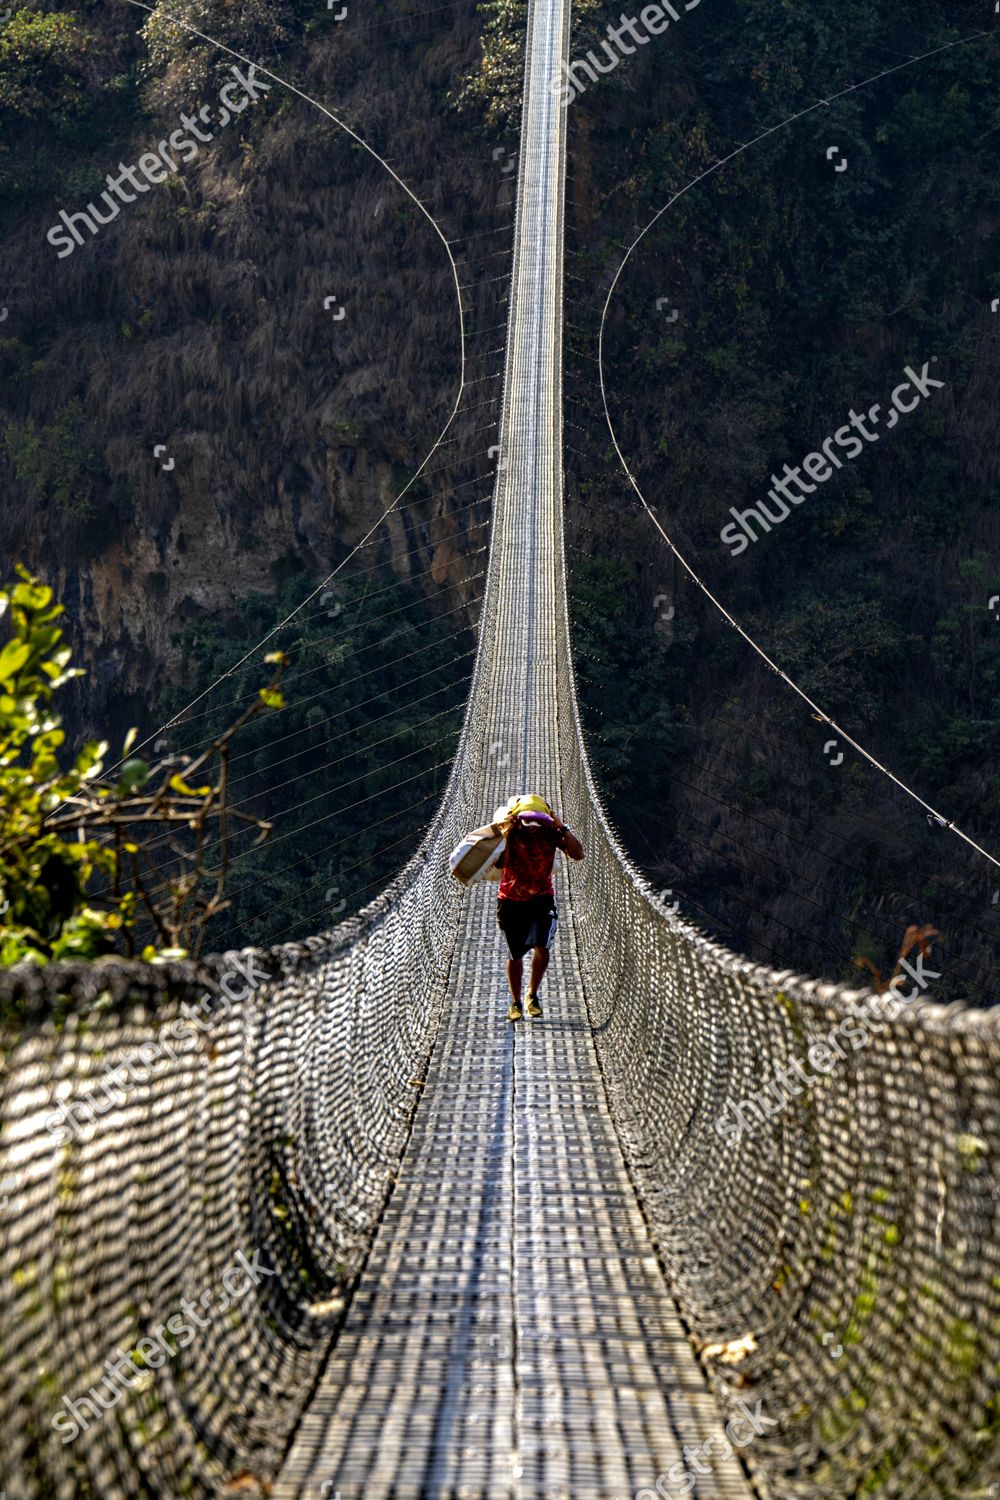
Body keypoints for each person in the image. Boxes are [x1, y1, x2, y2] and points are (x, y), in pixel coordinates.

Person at [494, 795, 584, 1022]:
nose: (532, 828)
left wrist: (560, 825)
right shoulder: (511, 834)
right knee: (515, 955)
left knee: (543, 947)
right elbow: (500, 864)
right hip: (511, 900)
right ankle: (515, 1002)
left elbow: (578, 854)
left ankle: (532, 995)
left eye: (536, 822)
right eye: (527, 822)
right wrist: (508, 832)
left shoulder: (551, 835)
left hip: (542, 899)